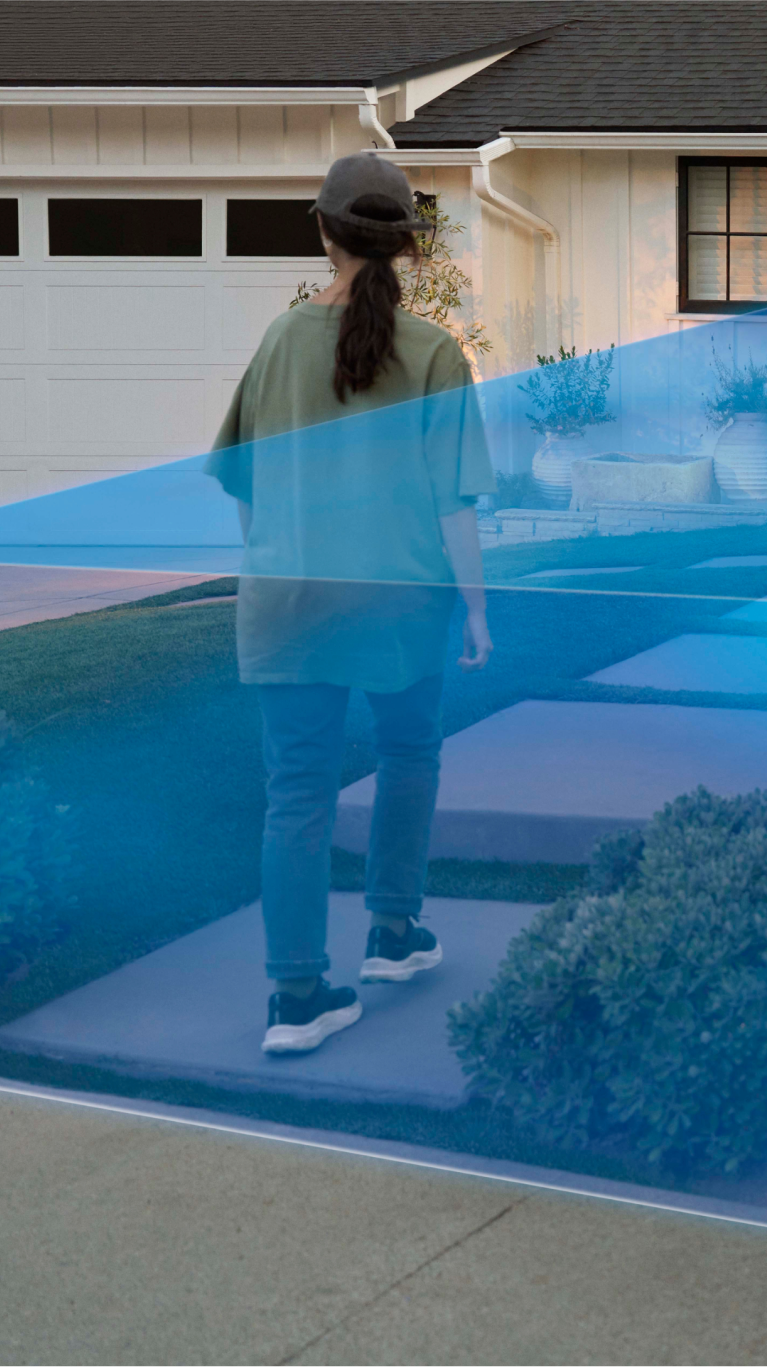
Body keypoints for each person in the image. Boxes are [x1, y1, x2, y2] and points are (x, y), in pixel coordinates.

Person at [206, 154, 495, 1056]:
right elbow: (454, 505)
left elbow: (245, 491)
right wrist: (478, 611)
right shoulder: (435, 353)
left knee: (295, 793)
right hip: (398, 602)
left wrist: (277, 558)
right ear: (405, 245)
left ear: (322, 230)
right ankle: (393, 933)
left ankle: (295, 997)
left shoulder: (279, 339)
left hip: (285, 599)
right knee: (410, 753)